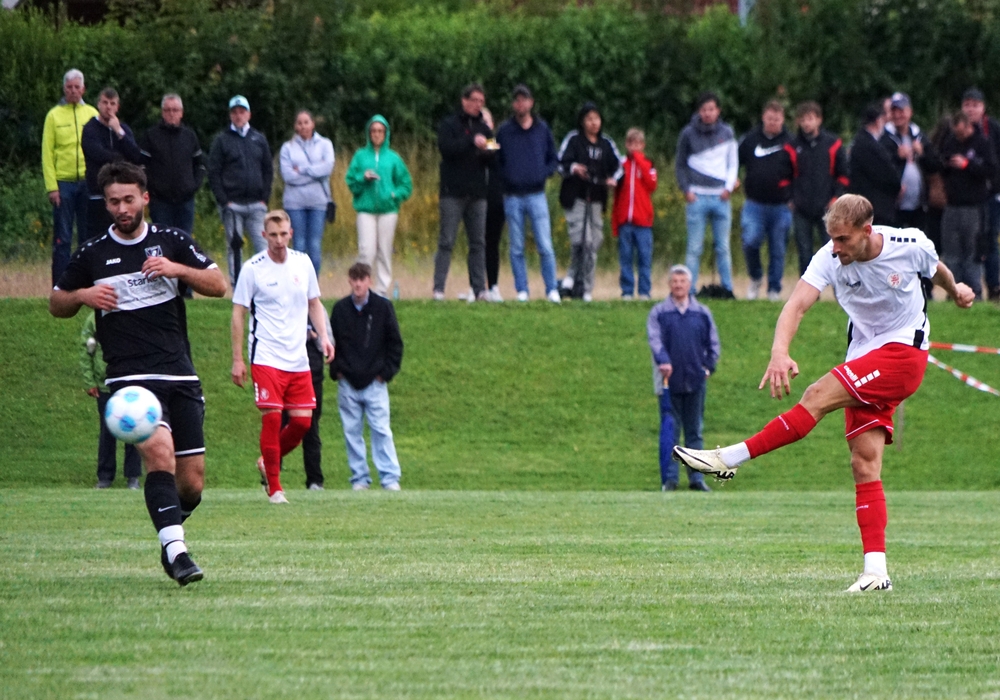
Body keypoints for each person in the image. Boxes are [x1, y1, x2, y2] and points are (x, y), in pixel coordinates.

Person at [673, 194, 975, 592]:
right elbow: (796, 306)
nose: (835, 247)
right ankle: (876, 572)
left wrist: (956, 290)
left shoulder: (909, 244)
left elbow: (936, 270)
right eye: (831, 238)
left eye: (843, 239)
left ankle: (727, 458)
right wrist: (779, 352)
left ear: (867, 231)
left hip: (904, 354)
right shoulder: (829, 257)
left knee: (816, 395)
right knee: (864, 464)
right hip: (864, 356)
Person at [49, 161, 228, 586]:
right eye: (114, 201)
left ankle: (169, 532)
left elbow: (219, 285)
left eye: (129, 199)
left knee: (191, 484)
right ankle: (177, 553)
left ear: (145, 198)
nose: (122, 208)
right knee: (159, 453)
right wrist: (83, 294)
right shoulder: (92, 253)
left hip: (180, 374)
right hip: (130, 379)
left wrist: (177, 270)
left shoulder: (171, 241)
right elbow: (56, 303)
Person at [231, 210, 335, 504]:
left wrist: (324, 337)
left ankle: (267, 462)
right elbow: (238, 313)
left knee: (302, 423)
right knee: (273, 419)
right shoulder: (253, 269)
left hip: (298, 357)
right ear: (264, 235)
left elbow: (314, 303)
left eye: (283, 234)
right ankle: (275, 489)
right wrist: (237, 359)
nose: (279, 240)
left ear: (291, 233)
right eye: (273, 235)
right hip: (266, 356)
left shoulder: (303, 263)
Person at [329, 263, 404, 490]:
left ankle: (389, 477)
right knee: (352, 432)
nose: (358, 284)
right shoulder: (340, 309)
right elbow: (332, 342)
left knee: (381, 429)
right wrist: (338, 371)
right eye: (355, 279)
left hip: (375, 381)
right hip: (348, 382)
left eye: (362, 279)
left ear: (369, 281)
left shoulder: (383, 307)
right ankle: (359, 477)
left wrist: (385, 374)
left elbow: (395, 343)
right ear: (349, 281)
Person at [647, 264, 719, 492]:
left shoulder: (702, 313)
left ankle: (696, 478)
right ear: (670, 284)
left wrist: (708, 368)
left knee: (694, 432)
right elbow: (655, 341)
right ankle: (670, 479)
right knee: (671, 432)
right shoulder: (659, 313)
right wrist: (663, 361)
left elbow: (713, 344)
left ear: (690, 284)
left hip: (695, 380)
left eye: (682, 281)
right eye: (675, 281)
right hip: (669, 382)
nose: (678, 285)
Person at [495, 84, 562, 303]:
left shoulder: (542, 129)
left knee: (545, 244)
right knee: (516, 247)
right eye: (517, 100)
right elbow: (495, 156)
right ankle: (522, 290)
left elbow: (553, 158)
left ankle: (551, 289)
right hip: (512, 196)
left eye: (524, 99)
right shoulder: (504, 131)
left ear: (531, 103)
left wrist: (543, 172)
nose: (520, 104)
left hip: (537, 195)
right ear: (513, 104)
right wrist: (506, 176)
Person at [557, 101, 624, 302]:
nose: (594, 123)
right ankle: (573, 279)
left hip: (597, 199)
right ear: (582, 121)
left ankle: (584, 287)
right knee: (580, 240)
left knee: (593, 243)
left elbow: (619, 167)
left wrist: (612, 180)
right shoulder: (574, 140)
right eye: (589, 119)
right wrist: (575, 168)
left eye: (596, 118)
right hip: (576, 197)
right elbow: (560, 163)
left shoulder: (606, 144)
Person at [433, 83, 493, 301]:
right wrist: (471, 141)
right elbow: (447, 149)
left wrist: (486, 150)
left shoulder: (484, 128)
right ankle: (438, 289)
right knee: (447, 241)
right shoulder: (449, 124)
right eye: (474, 100)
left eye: (481, 102)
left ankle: (479, 289)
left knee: (478, 243)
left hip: (477, 193)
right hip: (452, 192)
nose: (478, 105)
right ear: (464, 100)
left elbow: (495, 153)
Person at [926, 111, 995, 299]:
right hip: (951, 205)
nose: (959, 136)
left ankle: (974, 292)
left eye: (961, 132)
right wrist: (947, 164)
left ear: (968, 126)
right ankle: (953, 292)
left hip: (974, 207)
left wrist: (967, 164)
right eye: (956, 133)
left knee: (971, 253)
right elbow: (940, 165)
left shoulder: (982, 143)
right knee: (952, 253)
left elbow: (991, 170)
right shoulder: (951, 142)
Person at [675, 91, 738, 294]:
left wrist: (728, 187)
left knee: (723, 247)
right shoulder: (688, 134)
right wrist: (686, 190)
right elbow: (680, 164)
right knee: (694, 248)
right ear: (699, 111)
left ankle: (727, 289)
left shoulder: (727, 133)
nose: (708, 113)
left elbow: (732, 163)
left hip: (721, 197)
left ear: (718, 111)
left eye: (711, 109)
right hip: (697, 197)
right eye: (704, 109)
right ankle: (688, 290)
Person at [207, 95, 274, 287]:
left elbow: (268, 169)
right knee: (234, 247)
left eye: (242, 112)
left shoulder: (258, 139)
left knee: (263, 245)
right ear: (230, 115)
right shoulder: (222, 140)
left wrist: (264, 198)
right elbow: (214, 172)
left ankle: (265, 284)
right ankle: (238, 287)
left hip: (256, 204)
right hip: (232, 205)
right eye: (235, 112)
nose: (238, 115)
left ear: (249, 114)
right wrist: (223, 200)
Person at [42, 68, 99, 285]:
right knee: (63, 238)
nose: (73, 91)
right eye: (69, 87)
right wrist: (52, 187)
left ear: (83, 89)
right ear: (64, 89)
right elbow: (47, 153)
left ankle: (86, 283)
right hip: (63, 184)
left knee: (87, 237)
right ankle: (61, 285)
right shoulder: (53, 115)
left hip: (87, 182)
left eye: (77, 87)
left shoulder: (92, 113)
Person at [345, 115, 413, 296]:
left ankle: (382, 289)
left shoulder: (393, 158)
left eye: (380, 131)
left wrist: (394, 194)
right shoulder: (360, 156)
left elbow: (406, 184)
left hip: (388, 210)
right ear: (369, 133)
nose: (377, 134)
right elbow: (350, 181)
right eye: (374, 131)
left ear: (386, 133)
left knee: (384, 250)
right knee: (366, 250)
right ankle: (362, 286)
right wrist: (363, 177)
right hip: (365, 209)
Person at [738, 101, 794, 301]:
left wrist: (794, 196)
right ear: (763, 118)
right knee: (750, 241)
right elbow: (734, 162)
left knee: (777, 249)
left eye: (776, 119)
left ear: (782, 119)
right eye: (770, 118)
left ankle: (774, 289)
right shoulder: (750, 139)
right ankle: (755, 277)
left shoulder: (791, 142)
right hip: (754, 204)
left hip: (782, 206)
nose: (773, 122)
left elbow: (800, 171)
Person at [81, 310, 141, 490]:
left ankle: (133, 476)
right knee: (107, 431)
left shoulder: (133, 313)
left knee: (133, 428)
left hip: (130, 383)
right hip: (105, 385)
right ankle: (105, 477)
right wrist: (89, 381)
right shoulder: (94, 318)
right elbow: (86, 350)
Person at [789, 101, 849, 275]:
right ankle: (808, 287)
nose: (806, 123)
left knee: (833, 249)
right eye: (803, 119)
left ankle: (838, 285)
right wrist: (790, 198)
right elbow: (784, 175)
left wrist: (836, 197)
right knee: (804, 252)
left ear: (819, 120)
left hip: (828, 207)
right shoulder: (792, 146)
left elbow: (844, 175)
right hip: (801, 207)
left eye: (810, 119)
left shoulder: (833, 144)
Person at [138, 93, 206, 238]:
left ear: (181, 113)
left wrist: (193, 186)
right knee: (163, 240)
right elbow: (142, 166)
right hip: (160, 202)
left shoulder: (189, 136)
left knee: (184, 240)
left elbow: (200, 164)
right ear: (162, 112)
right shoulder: (151, 135)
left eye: (175, 110)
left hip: (186, 201)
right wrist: (153, 188)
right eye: (167, 110)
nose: (171, 114)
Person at [81, 87, 142, 241]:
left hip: (122, 195)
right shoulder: (90, 129)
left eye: (112, 103)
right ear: (98, 104)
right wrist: (122, 159)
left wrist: (118, 131)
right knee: (97, 238)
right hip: (97, 194)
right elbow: (98, 155)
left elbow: (136, 156)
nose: (108, 107)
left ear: (117, 107)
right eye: (105, 102)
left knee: (123, 235)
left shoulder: (123, 129)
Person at [279, 110, 335, 276]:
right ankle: (298, 283)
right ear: (295, 126)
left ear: (313, 124)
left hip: (318, 203)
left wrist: (302, 170)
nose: (303, 126)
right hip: (294, 203)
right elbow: (288, 176)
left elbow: (327, 168)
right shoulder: (288, 147)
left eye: (306, 122)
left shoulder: (325, 144)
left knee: (315, 246)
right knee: (299, 245)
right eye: (300, 123)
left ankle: (313, 284)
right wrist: (315, 173)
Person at [961, 88, 1000, 300]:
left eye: (975, 105)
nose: (971, 109)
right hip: (967, 197)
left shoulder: (992, 129)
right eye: (967, 105)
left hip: (991, 194)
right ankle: (966, 286)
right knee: (970, 242)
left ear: (983, 108)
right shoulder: (957, 130)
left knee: (990, 240)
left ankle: (994, 285)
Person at [612, 128, 658, 299]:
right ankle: (627, 291)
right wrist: (616, 220)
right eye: (631, 143)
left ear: (643, 145)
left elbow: (651, 185)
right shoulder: (622, 164)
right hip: (625, 220)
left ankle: (644, 291)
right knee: (626, 257)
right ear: (626, 144)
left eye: (638, 144)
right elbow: (616, 188)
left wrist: (639, 160)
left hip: (643, 221)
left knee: (644, 258)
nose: (634, 147)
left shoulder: (648, 164)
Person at [847, 103, 901, 226]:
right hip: (875, 206)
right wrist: (896, 186)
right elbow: (885, 173)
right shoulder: (868, 146)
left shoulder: (861, 142)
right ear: (878, 121)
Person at [880, 92, 927, 231]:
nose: (897, 115)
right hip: (895, 205)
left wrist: (922, 153)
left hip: (919, 205)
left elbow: (934, 163)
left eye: (901, 111)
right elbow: (879, 167)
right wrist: (896, 156)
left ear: (910, 112)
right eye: (893, 111)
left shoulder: (918, 134)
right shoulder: (883, 137)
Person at [481, 106, 507, 302]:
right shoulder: (470, 144)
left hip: (495, 201)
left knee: (492, 244)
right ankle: (477, 286)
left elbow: (496, 158)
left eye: (486, 121)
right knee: (477, 244)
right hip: (474, 200)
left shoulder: (497, 144)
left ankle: (493, 286)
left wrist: (488, 143)